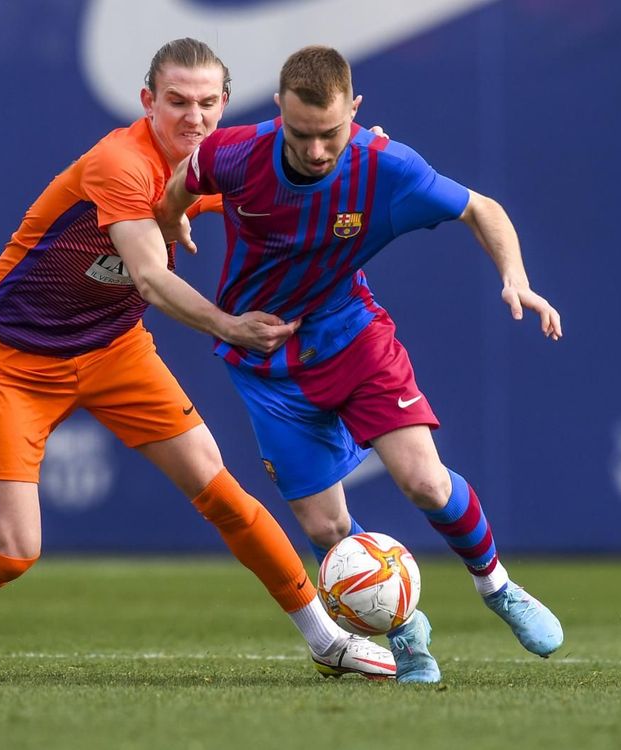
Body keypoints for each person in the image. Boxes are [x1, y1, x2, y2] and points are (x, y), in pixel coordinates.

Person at [0, 39, 395, 681]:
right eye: (176, 102)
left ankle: (325, 637)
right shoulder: (120, 163)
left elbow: (310, 162)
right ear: (148, 102)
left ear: (225, 103)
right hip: (15, 358)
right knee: (13, 550)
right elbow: (148, 277)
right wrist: (228, 325)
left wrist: (362, 154)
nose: (192, 117)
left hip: (114, 349)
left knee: (220, 488)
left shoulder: (226, 160)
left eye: (205, 102)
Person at [156, 45, 565, 684]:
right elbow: (182, 184)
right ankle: (405, 634)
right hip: (264, 360)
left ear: (356, 110)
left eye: (331, 134)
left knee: (425, 483)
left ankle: (498, 588)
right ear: (278, 113)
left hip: (352, 336)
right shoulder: (234, 154)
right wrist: (174, 221)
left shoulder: (386, 166)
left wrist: (515, 277)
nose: (317, 151)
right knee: (327, 527)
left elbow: (482, 209)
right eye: (301, 134)